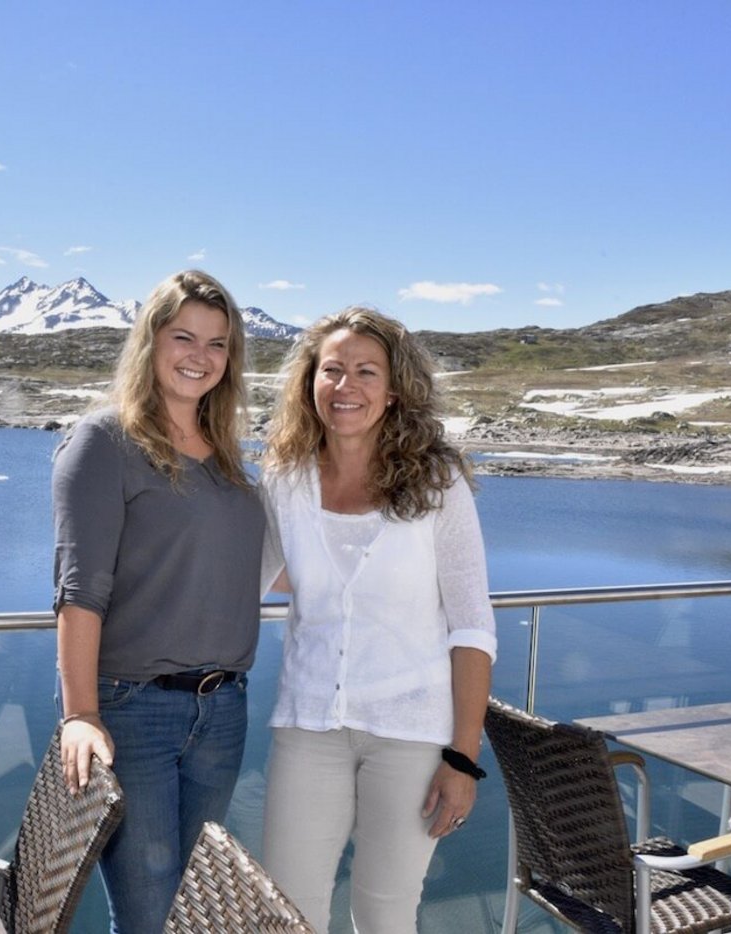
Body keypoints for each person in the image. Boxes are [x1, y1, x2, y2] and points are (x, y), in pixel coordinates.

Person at [258, 306, 496, 932]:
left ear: (393, 390)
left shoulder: (438, 482)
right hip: (308, 725)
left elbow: (472, 627)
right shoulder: (284, 478)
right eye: (332, 370)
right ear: (309, 382)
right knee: (287, 912)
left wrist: (463, 759)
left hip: (411, 732)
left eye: (366, 371)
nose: (347, 386)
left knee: (384, 913)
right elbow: (247, 573)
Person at [50, 269, 266, 934]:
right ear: (151, 341)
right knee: (148, 913)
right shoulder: (104, 441)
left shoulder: (227, 458)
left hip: (223, 710)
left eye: (218, 343)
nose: (201, 355)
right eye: (184, 337)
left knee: (190, 907)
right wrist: (80, 713)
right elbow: (80, 590)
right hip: (132, 711)